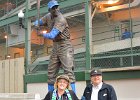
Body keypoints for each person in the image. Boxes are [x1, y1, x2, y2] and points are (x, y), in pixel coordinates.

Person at [33, 0, 76, 92]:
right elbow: (38, 22)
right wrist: (36, 24)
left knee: (68, 72)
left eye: (56, 7)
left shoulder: (61, 19)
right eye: (53, 8)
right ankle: (50, 95)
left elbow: (52, 35)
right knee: (51, 73)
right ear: (49, 9)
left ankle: (74, 96)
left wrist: (41, 33)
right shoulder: (48, 16)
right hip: (55, 46)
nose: (56, 9)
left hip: (65, 45)